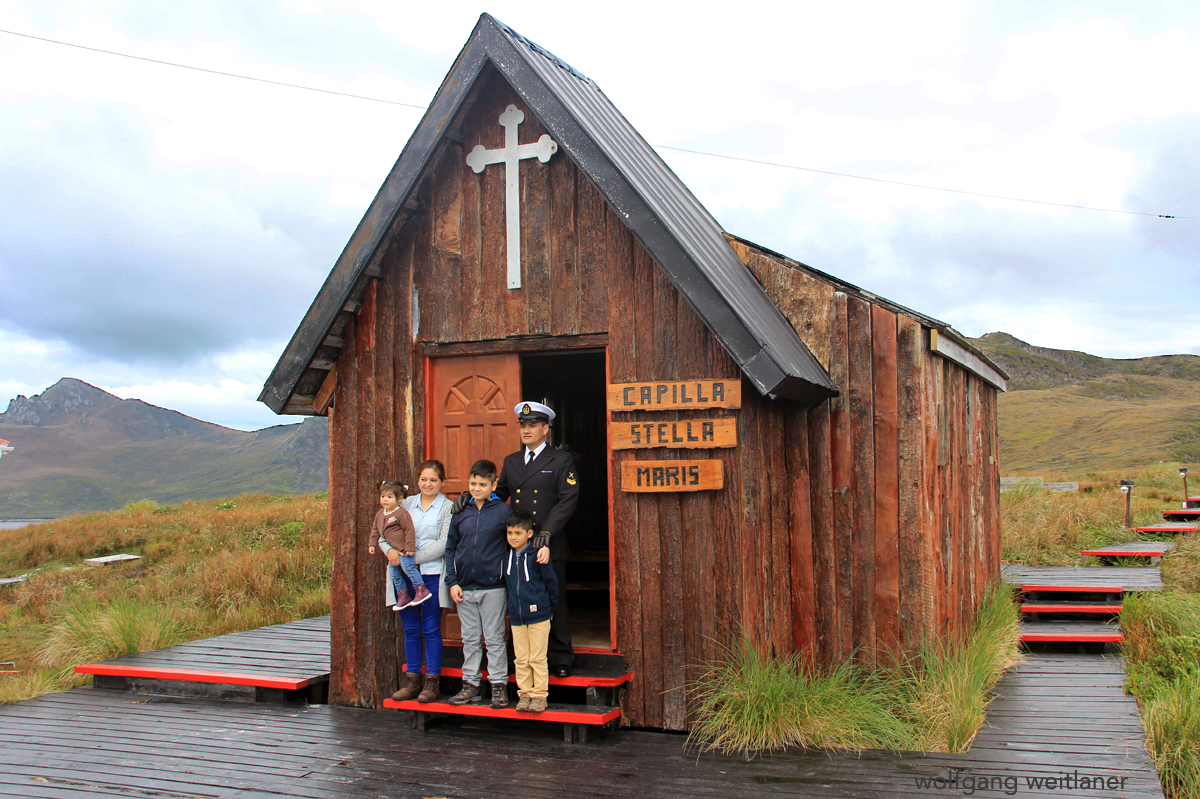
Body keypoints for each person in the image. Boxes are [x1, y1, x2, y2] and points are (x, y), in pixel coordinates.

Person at [495, 401, 579, 677]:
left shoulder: (560, 460)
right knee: (519, 597)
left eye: (532, 426)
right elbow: (500, 495)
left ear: (545, 429)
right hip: (520, 543)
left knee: (554, 600)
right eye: (523, 425)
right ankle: (517, 657)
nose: (527, 430)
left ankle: (561, 657)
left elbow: (568, 499)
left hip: (548, 542)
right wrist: (472, 500)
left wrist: (548, 531)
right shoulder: (512, 461)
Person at [443, 459, 512, 709]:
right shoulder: (461, 511)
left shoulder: (504, 512)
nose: (476, 488)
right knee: (469, 638)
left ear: (494, 484)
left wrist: (503, 574)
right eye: (472, 483)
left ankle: (498, 686)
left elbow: (512, 544)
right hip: (464, 587)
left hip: (493, 586)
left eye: (482, 484)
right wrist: (452, 582)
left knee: (494, 638)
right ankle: (470, 684)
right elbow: (450, 548)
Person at [387, 461, 452, 704]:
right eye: (424, 479)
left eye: (433, 480)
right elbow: (385, 530)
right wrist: (389, 551)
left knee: (431, 627)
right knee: (411, 629)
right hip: (404, 577)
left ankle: (432, 682)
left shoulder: (447, 508)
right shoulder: (406, 503)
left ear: (442, 482)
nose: (428, 484)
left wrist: (411, 559)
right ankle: (412, 679)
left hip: (431, 574)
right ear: (417, 481)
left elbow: (444, 543)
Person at [504, 510, 558, 713]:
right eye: (510, 533)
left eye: (518, 533)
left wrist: (549, 607)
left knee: (537, 658)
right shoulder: (506, 557)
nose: (513, 537)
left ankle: (539, 696)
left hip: (539, 615)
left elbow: (551, 582)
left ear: (529, 534)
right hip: (517, 617)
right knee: (521, 658)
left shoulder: (538, 555)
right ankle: (524, 694)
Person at [368, 481, 431, 611]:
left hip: (404, 550)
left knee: (408, 568)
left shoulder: (401, 514)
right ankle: (403, 595)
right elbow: (375, 530)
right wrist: (372, 544)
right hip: (394, 551)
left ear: (399, 499)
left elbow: (409, 530)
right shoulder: (380, 514)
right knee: (394, 574)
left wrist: (410, 547)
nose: (385, 500)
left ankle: (421, 590)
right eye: (383, 496)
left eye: (389, 497)